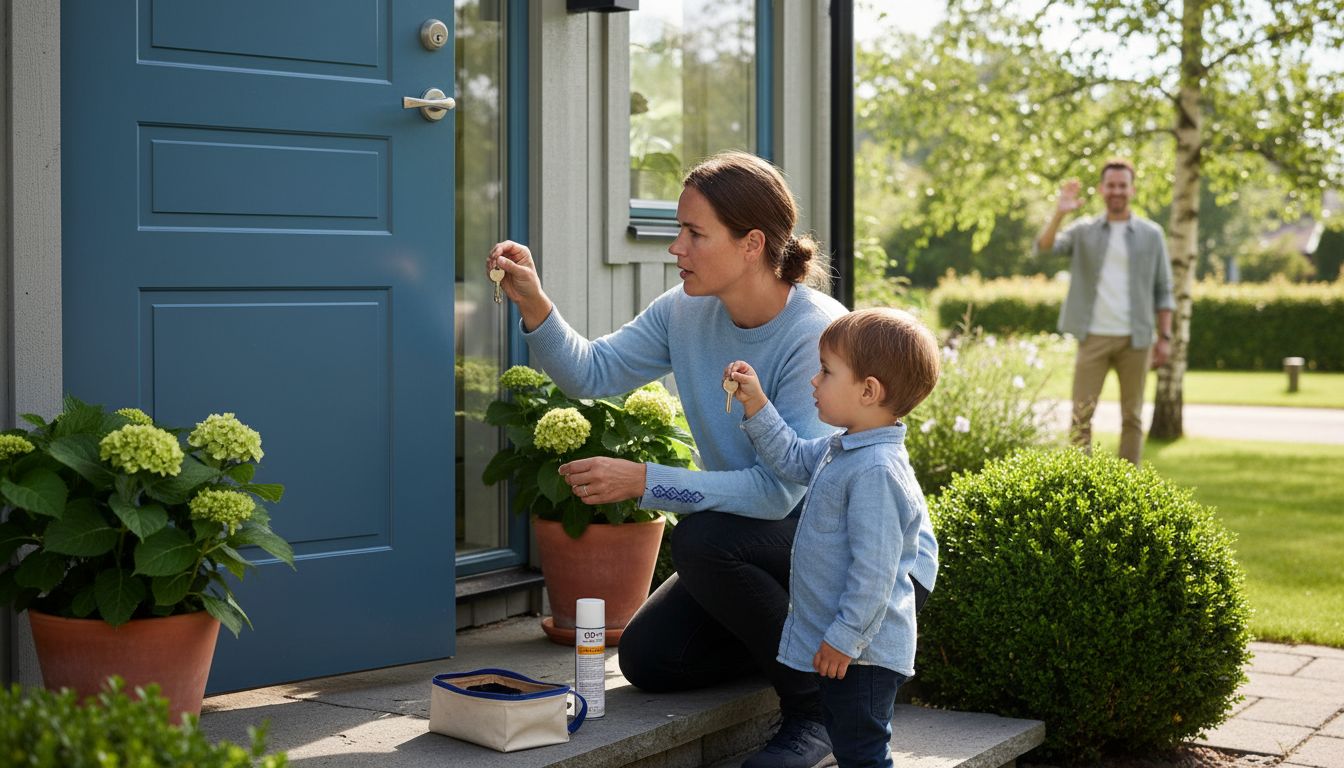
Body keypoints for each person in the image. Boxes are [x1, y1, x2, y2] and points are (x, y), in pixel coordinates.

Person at [487, 151, 938, 768]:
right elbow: (592, 372)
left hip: (859, 556)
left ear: (752, 244)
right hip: (765, 550)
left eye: (695, 234)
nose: (677, 248)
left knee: (703, 540)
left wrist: (645, 481)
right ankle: (789, 649)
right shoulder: (685, 310)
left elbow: (781, 491)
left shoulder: (818, 335)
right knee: (650, 660)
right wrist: (533, 302)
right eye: (679, 230)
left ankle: (814, 712)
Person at [724, 307, 941, 768]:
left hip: (863, 655)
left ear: (868, 391)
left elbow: (876, 572)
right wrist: (757, 403)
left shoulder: (876, 471)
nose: (814, 382)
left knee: (863, 754)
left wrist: (844, 638)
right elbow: (791, 457)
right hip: (850, 651)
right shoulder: (842, 447)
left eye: (826, 371)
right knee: (850, 745)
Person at [1035, 158, 1175, 465]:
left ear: (1132, 190)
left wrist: (1164, 337)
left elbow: (1164, 289)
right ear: (1101, 189)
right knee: (1080, 417)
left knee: (1133, 418)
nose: (1116, 191)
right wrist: (1060, 211)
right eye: (1111, 185)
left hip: (1136, 340)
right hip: (1093, 336)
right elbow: (1044, 248)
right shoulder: (1083, 231)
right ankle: (1080, 484)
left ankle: (1128, 490)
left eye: (1122, 185)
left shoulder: (1152, 235)